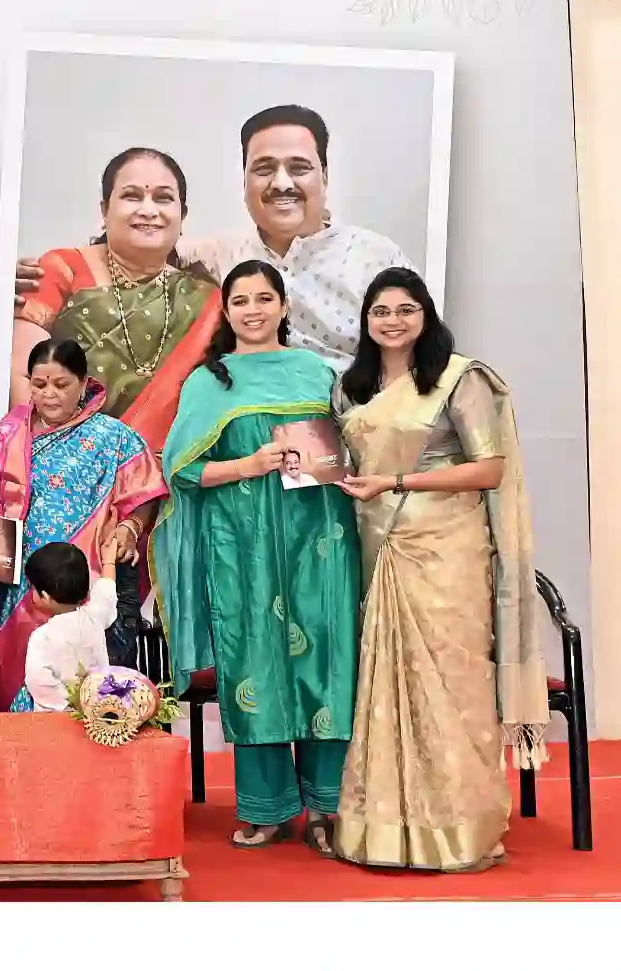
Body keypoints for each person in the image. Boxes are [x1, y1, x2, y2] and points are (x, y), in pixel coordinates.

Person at [328, 268, 551, 873]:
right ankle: (382, 831)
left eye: (406, 309)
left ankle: (462, 827)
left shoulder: (459, 378)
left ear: (426, 315)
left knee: (453, 685)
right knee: (385, 684)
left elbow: (488, 469)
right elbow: (345, 463)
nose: (392, 321)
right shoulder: (351, 387)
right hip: (379, 546)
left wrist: (397, 481)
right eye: (380, 311)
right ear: (366, 320)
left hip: (447, 548)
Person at [151, 261, 363, 854]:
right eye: (240, 300)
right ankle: (265, 808)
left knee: (327, 662)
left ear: (284, 306)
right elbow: (182, 471)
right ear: (226, 310)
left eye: (264, 298)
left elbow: (346, 450)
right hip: (241, 544)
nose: (253, 310)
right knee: (255, 664)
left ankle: (328, 806)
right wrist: (248, 465)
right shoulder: (209, 382)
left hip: (319, 538)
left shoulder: (317, 373)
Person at [0, 338, 166, 709]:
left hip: (90, 579)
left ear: (83, 382)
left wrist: (129, 529)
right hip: (22, 581)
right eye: (39, 384)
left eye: (61, 384)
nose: (49, 394)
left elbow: (145, 494)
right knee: (22, 679)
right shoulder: (8, 434)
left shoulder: (112, 436)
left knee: (93, 694)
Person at [8, 147, 223, 455]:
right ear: (104, 210)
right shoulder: (63, 269)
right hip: (61, 461)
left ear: (182, 215)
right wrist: (55, 455)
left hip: (162, 470)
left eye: (163, 198)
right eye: (132, 196)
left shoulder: (207, 300)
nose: (148, 210)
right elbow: (23, 374)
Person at [176, 105, 413, 370]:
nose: (281, 183)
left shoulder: (375, 258)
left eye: (299, 168)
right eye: (264, 169)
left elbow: (426, 358)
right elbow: (147, 252)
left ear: (324, 176)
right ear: (244, 181)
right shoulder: (218, 254)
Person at [19, 542, 115, 713]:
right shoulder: (94, 617)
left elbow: (38, 683)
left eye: (32, 588)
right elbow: (106, 590)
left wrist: (72, 711)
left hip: (56, 723)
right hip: (99, 717)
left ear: (45, 596)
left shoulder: (42, 638)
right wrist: (109, 561)